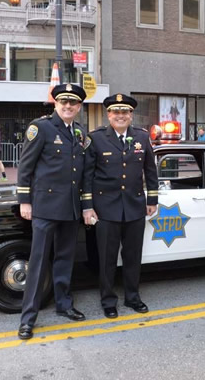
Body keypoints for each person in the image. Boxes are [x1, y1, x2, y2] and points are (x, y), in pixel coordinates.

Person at [17, 83, 88, 340]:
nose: (68, 107)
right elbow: (26, 167)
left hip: (70, 207)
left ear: (79, 107)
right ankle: (28, 318)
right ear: (56, 104)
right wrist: (25, 201)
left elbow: (80, 171)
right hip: (45, 207)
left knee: (65, 260)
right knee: (37, 263)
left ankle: (64, 305)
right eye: (63, 102)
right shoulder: (42, 128)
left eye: (73, 103)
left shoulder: (80, 132)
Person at [82, 94, 159, 319]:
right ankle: (108, 300)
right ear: (109, 115)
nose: (120, 116)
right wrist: (88, 206)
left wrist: (152, 200)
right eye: (116, 112)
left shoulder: (142, 138)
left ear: (131, 115)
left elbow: (150, 171)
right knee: (107, 258)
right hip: (105, 208)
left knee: (133, 256)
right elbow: (87, 176)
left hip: (135, 207)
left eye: (125, 112)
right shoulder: (95, 138)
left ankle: (132, 297)